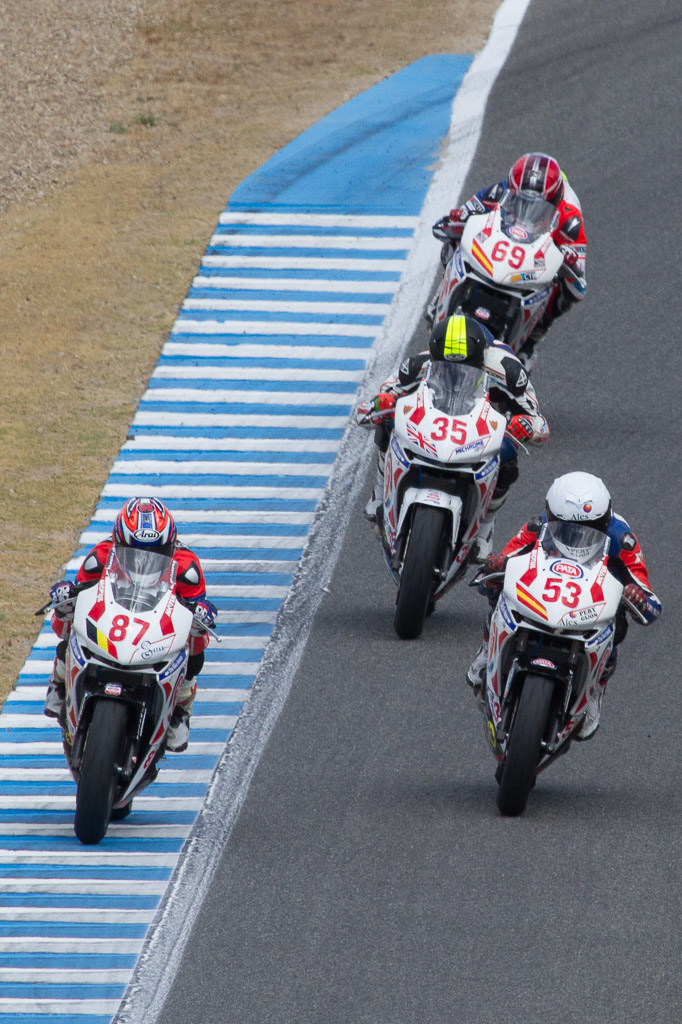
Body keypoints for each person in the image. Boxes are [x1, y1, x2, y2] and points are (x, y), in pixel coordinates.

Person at [467, 471, 661, 740]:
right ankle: (487, 650)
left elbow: (650, 600)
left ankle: (594, 690)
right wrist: (497, 566)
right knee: (500, 593)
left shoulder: (622, 539)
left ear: (605, 521)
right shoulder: (537, 526)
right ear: (552, 515)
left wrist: (636, 595)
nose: (575, 535)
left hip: (589, 603)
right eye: (565, 526)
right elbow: (498, 564)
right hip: (541, 594)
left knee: (618, 623)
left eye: (588, 529)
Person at [356, 313, 550, 559]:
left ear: (481, 360)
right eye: (446, 368)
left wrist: (525, 426)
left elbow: (540, 424)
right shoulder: (418, 364)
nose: (456, 375)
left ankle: (485, 529)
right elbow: (372, 404)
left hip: (481, 425)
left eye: (465, 369)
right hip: (433, 416)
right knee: (389, 422)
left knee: (508, 455)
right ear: (434, 357)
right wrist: (381, 404)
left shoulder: (508, 369)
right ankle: (378, 495)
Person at [43, 497, 216, 753]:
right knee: (73, 626)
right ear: (117, 544)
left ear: (170, 546)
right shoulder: (100, 557)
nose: (144, 562)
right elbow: (79, 594)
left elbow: (198, 609)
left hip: (157, 627)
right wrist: (65, 598)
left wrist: (203, 614)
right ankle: (59, 681)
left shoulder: (187, 568)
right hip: (114, 620)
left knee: (196, 649)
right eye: (133, 552)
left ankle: (180, 711)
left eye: (156, 553)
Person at [428, 152, 587, 364]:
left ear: (555, 200)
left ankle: (533, 339)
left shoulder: (571, 219)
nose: (528, 209)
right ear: (512, 190)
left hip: (538, 251)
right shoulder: (500, 191)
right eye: (521, 201)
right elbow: (463, 213)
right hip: (505, 244)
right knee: (454, 242)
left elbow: (579, 286)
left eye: (538, 206)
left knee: (562, 291)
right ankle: (441, 296)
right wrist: (458, 219)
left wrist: (570, 261)